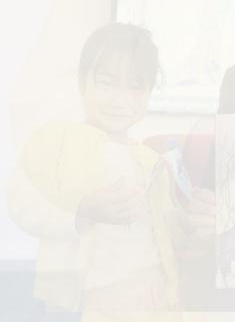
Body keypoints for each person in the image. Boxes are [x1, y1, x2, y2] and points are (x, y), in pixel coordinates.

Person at [7, 23, 181, 320]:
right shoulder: (54, 140)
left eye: (136, 86)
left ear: (149, 93)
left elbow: (165, 231)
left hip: (149, 294)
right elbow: (22, 204)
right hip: (87, 300)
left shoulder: (152, 161)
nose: (120, 99)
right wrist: (82, 211)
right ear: (82, 82)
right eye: (107, 82)